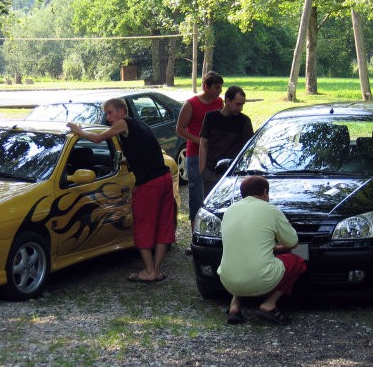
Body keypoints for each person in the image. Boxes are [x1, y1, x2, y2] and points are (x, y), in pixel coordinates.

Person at [67, 98, 176, 283]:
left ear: (122, 112)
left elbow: (98, 138)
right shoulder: (139, 125)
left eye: (110, 113)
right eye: (107, 113)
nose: (108, 117)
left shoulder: (123, 124)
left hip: (150, 184)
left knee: (143, 225)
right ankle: (156, 271)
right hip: (164, 179)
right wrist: (130, 162)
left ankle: (149, 271)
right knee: (163, 226)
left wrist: (79, 131)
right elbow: (146, 151)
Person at [217, 176, 306, 325]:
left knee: (241, 259)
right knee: (298, 261)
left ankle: (234, 306)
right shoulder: (270, 210)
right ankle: (269, 304)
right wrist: (278, 248)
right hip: (259, 280)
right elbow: (292, 241)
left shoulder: (229, 210)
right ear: (265, 192)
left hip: (227, 280)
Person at [176, 71, 224, 231]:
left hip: (214, 155)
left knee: (216, 191)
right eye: (216, 87)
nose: (219, 91)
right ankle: (195, 234)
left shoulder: (219, 102)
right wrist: (200, 141)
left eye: (220, 87)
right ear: (206, 86)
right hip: (195, 154)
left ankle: (215, 230)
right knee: (196, 193)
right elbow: (180, 129)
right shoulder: (191, 104)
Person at [199, 86, 254, 196]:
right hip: (211, 173)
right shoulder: (211, 117)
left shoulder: (244, 121)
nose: (241, 108)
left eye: (243, 104)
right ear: (228, 101)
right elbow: (203, 143)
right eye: (238, 104)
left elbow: (248, 150)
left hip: (233, 174)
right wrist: (202, 170)